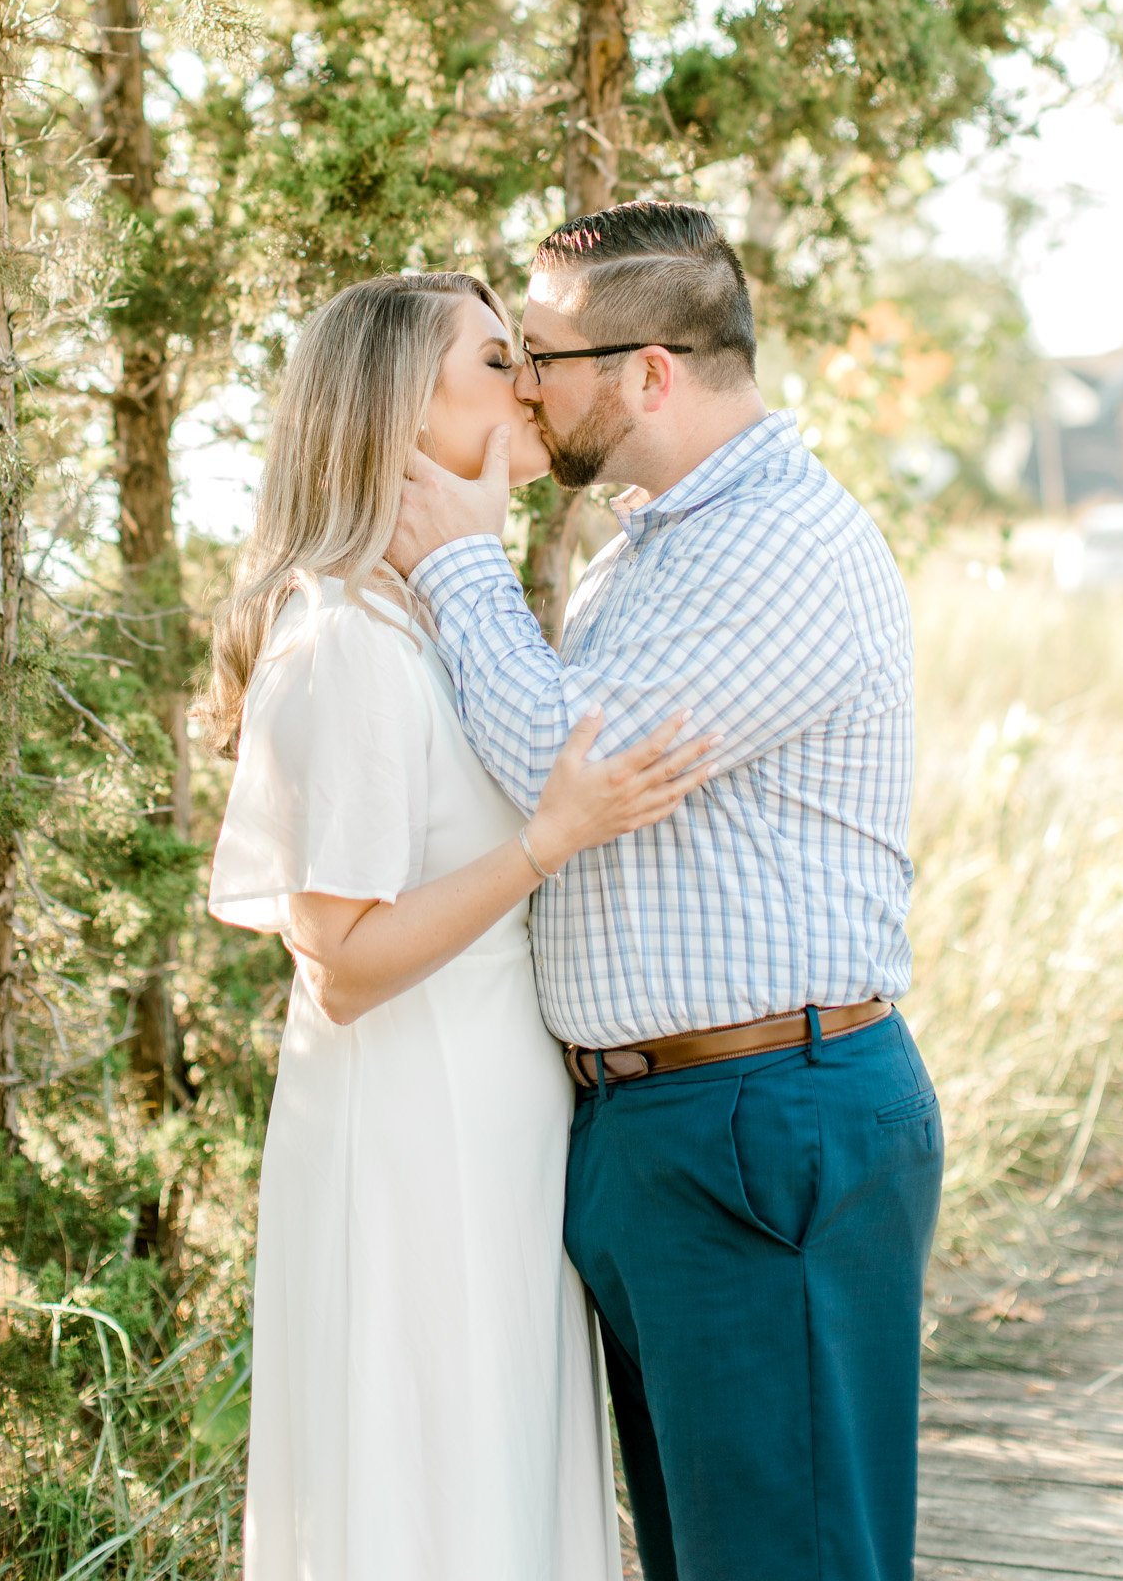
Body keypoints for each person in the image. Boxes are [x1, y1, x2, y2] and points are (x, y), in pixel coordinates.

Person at [389, 203, 945, 1581]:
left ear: (648, 372)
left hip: (762, 1121)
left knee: (784, 1559)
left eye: (544, 352)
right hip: (665, 1125)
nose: (523, 381)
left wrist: (456, 552)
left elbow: (556, 767)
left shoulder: (779, 545)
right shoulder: (657, 545)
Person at [199, 270, 717, 1581]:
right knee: (424, 1484)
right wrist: (551, 838)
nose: (528, 382)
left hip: (497, 1120)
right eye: (494, 361)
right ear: (392, 411)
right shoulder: (346, 644)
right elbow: (343, 962)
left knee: (496, 1474)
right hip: (409, 1131)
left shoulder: (433, 626)